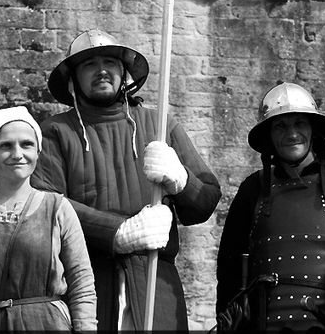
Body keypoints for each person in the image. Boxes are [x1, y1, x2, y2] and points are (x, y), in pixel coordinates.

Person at [31, 30, 222, 331]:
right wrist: (118, 232)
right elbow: (45, 205)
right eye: (89, 65)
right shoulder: (56, 132)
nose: (102, 70)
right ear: (73, 79)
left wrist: (182, 181)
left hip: (155, 282)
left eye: (110, 61)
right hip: (87, 284)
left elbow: (205, 203)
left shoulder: (160, 126)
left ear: (124, 73)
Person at [216, 83, 325, 331]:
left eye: (299, 124)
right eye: (281, 126)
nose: (292, 133)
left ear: (312, 130)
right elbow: (230, 272)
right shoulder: (252, 190)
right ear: (269, 136)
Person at [0, 106, 96, 331]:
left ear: (38, 151)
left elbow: (81, 281)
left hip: (47, 324)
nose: (17, 153)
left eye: (26, 144)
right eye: (5, 146)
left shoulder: (58, 208)